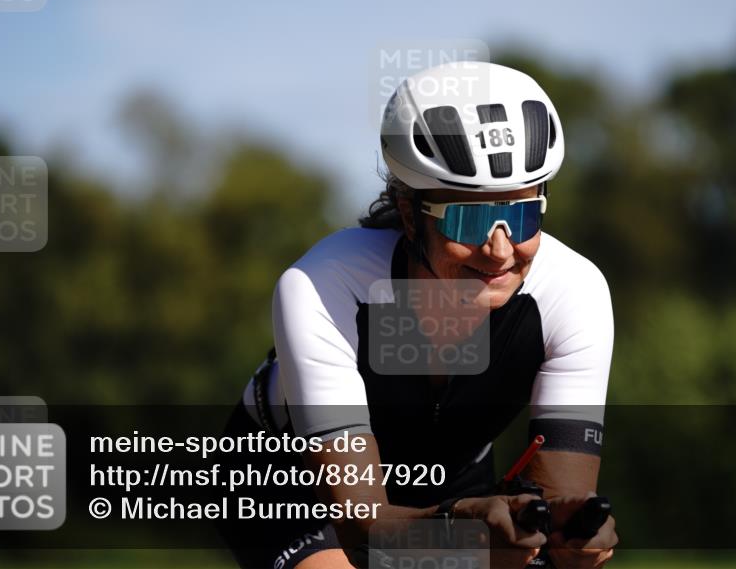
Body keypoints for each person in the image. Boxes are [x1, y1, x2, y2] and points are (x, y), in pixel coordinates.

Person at [221, 62, 618, 569]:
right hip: (293, 481)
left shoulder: (573, 291)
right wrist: (458, 528)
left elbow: (559, 500)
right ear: (409, 214)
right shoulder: (325, 284)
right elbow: (363, 528)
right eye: (468, 218)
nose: (499, 251)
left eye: (521, 215)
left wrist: (570, 541)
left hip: (455, 476)